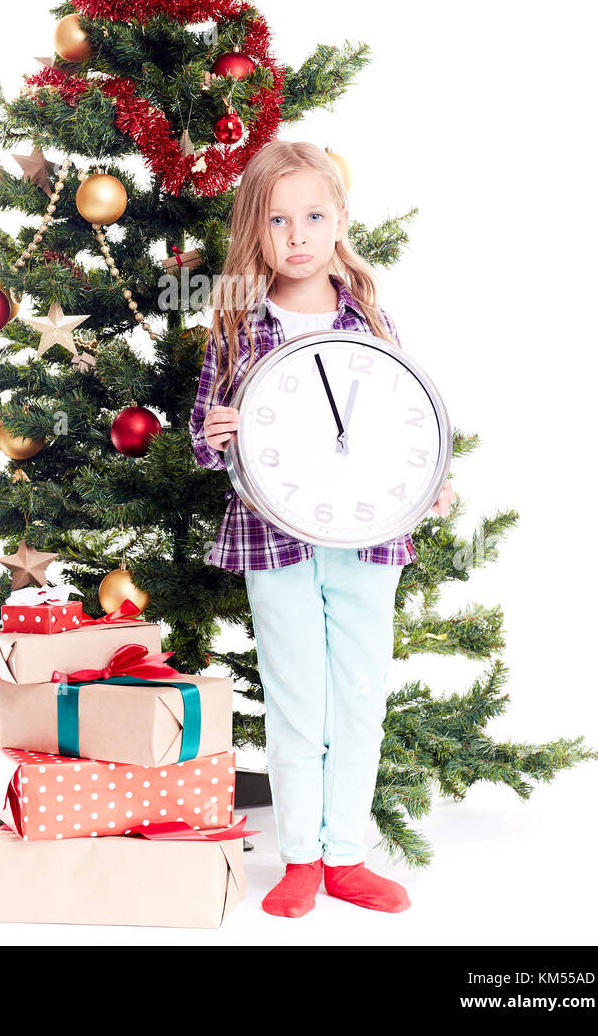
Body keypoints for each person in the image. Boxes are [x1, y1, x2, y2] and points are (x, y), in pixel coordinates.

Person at [188, 140, 455, 919]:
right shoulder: (237, 326)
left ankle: (348, 856)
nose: (297, 234)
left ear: (340, 221)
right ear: (255, 231)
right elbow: (204, 448)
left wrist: (430, 481)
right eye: (277, 219)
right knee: (297, 697)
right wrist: (215, 434)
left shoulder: (367, 317)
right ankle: (300, 855)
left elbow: (402, 421)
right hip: (272, 538)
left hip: (368, 535)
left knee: (359, 695)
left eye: (312, 215)